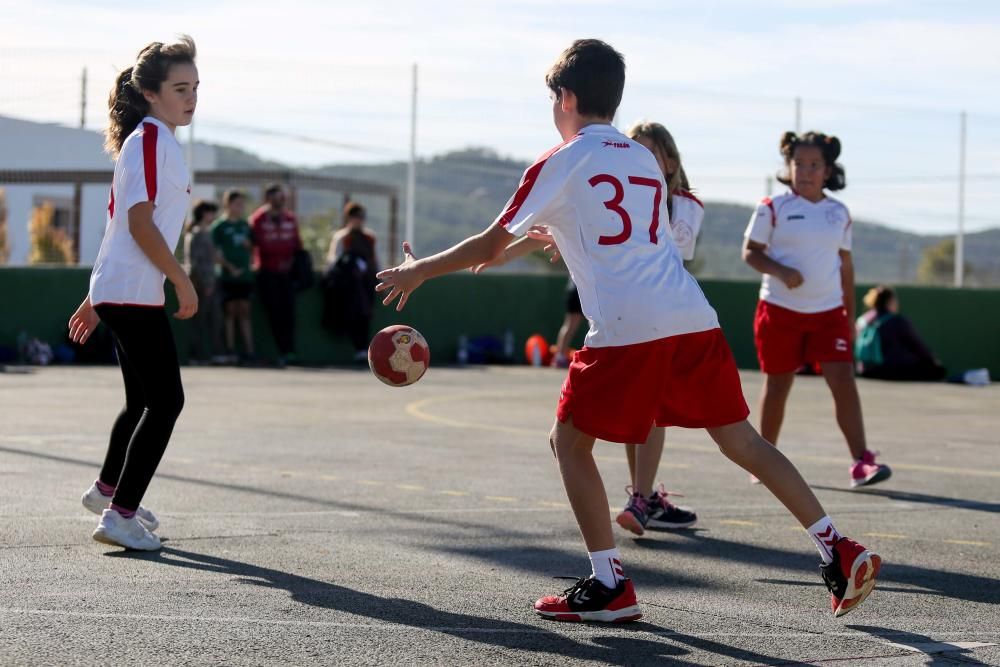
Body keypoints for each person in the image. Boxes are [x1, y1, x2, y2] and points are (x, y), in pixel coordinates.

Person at [377, 39, 880, 622]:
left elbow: (491, 242)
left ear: (564, 98)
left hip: (627, 327)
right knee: (742, 441)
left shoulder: (559, 161)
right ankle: (838, 546)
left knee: (569, 444)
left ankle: (609, 583)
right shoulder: (641, 159)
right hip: (691, 315)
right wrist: (557, 235)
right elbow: (630, 236)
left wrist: (418, 271)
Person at [68, 35, 199, 551]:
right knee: (166, 402)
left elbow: (115, 228)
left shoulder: (159, 141)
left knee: (143, 399)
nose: (190, 97)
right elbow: (138, 223)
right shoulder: (148, 140)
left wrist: (94, 295)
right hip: (132, 291)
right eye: (179, 88)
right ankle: (119, 517)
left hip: (120, 289)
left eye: (195, 87)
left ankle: (108, 492)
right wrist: (182, 278)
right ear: (149, 93)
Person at [742, 131, 891, 489]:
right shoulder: (772, 207)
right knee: (777, 385)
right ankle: (764, 460)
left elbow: (846, 266)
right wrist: (781, 270)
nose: (806, 171)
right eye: (799, 164)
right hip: (779, 311)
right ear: (788, 167)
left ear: (828, 171)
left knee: (844, 382)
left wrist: (850, 314)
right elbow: (751, 252)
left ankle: (861, 462)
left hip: (828, 315)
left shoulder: (838, 213)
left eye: (814, 165)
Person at [615, 121, 702, 536]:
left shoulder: (685, 204)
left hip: (663, 311)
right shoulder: (624, 196)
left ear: (669, 161)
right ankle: (642, 496)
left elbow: (673, 249)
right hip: (626, 310)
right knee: (643, 409)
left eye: (648, 152)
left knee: (651, 409)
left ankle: (643, 496)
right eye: (633, 150)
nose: (639, 159)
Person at [249, 183, 302, 367]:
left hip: (287, 274)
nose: (279, 201)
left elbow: (297, 244)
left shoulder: (290, 218)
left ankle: (290, 352)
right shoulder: (258, 219)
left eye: (282, 198)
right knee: (274, 313)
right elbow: (257, 245)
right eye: (276, 198)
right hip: (267, 272)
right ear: (268, 199)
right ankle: (281, 352)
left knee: (289, 313)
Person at [322, 201, 378, 361]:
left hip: (366, 284)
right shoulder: (342, 237)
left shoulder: (369, 237)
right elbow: (333, 260)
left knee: (365, 314)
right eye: (354, 216)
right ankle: (359, 348)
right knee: (353, 313)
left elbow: (374, 261)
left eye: (361, 216)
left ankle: (363, 349)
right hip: (348, 286)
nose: (358, 220)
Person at [856, 286, 946, 381]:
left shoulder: (862, 320)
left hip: (865, 369)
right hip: (891, 369)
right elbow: (917, 344)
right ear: (890, 301)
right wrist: (933, 360)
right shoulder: (897, 320)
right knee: (938, 370)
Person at [212, 189, 255, 364]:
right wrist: (229, 267)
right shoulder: (219, 227)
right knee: (230, 312)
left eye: (243, 204)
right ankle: (230, 350)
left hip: (245, 276)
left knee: (244, 311)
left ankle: (249, 351)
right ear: (228, 204)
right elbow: (214, 253)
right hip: (227, 276)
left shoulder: (245, 225)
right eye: (237, 203)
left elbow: (253, 249)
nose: (241, 207)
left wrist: (249, 246)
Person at [184, 199, 220, 364]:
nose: (213, 216)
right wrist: (205, 283)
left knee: (208, 319)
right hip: (202, 283)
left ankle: (206, 354)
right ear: (204, 214)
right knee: (200, 320)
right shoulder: (198, 233)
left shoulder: (202, 232)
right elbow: (196, 262)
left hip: (206, 282)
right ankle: (197, 355)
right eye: (211, 212)